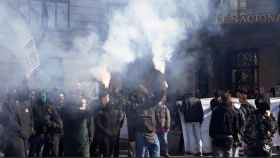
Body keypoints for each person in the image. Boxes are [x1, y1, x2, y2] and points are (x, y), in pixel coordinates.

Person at [2, 89, 33, 157]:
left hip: (24, 135)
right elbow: (11, 120)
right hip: (15, 136)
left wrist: (30, 130)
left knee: (24, 154)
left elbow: (30, 119)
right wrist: (21, 131)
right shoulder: (7, 106)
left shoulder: (25, 106)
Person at [94, 90, 125, 157]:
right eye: (102, 98)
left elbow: (121, 117)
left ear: (107, 97)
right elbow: (98, 123)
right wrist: (107, 132)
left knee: (113, 152)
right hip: (105, 136)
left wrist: (117, 130)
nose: (103, 100)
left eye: (105, 97)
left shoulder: (115, 106)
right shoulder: (100, 108)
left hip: (113, 135)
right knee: (106, 154)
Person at [209, 92, 238, 158]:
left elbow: (212, 124)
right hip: (229, 138)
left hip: (217, 137)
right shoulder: (232, 111)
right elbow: (236, 126)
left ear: (221, 100)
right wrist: (235, 138)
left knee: (217, 155)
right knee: (228, 155)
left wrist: (212, 135)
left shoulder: (215, 110)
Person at [135, 85, 160, 158]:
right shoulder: (139, 103)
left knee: (153, 152)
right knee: (141, 154)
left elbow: (156, 100)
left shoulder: (149, 102)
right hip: (142, 133)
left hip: (151, 132)